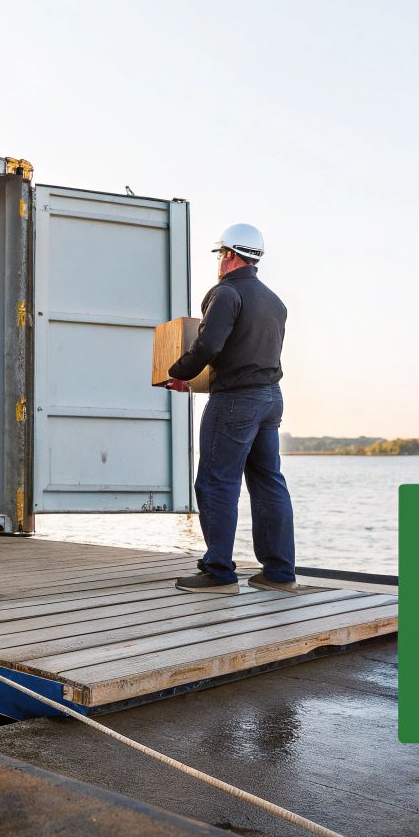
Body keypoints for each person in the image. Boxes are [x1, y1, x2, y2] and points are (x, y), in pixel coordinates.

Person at [161, 223, 297, 594]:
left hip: (235, 400)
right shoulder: (275, 302)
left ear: (230, 255)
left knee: (215, 482)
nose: (218, 261)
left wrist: (176, 373)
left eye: (220, 254)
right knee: (269, 483)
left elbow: (208, 346)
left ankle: (219, 572)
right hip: (271, 399)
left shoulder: (225, 293)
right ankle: (280, 573)